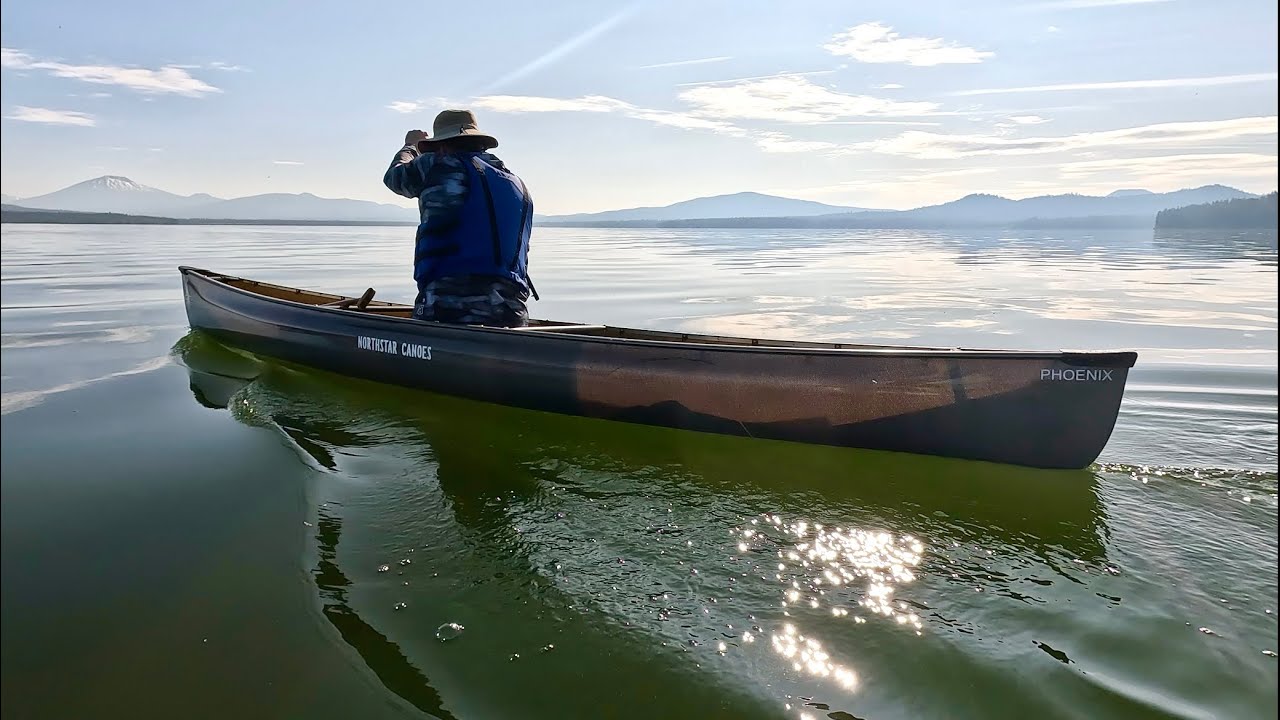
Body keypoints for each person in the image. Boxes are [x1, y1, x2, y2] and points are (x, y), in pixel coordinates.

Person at [383, 109, 536, 327]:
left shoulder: (438, 164)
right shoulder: (517, 184)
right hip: (513, 312)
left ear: (442, 145)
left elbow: (394, 177)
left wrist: (411, 146)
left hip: (450, 307)